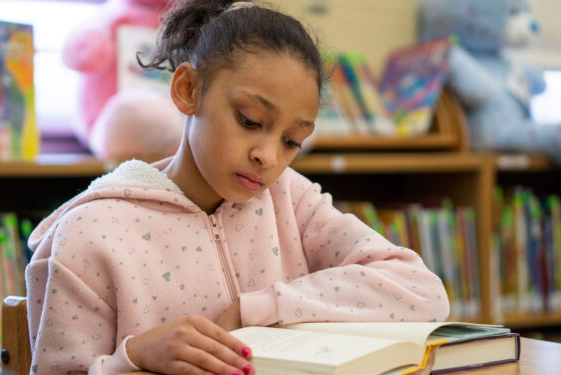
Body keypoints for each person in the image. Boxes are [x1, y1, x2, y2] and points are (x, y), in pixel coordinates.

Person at [25, 1, 450, 374]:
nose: (269, 157)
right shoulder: (89, 234)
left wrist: (262, 308)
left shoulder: (290, 196)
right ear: (188, 90)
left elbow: (422, 292)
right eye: (250, 121)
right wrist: (133, 357)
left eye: (291, 141)